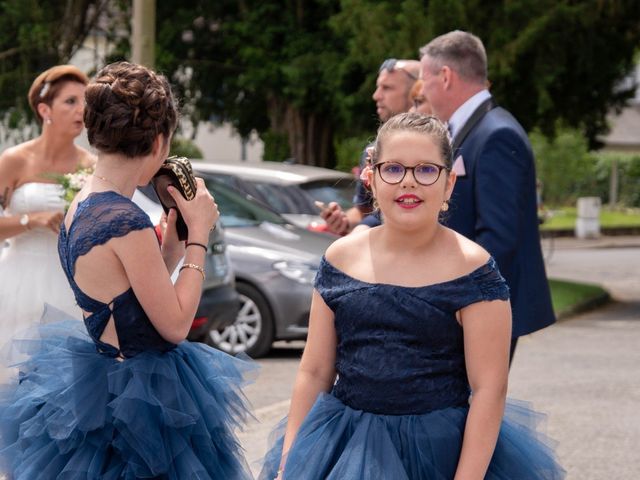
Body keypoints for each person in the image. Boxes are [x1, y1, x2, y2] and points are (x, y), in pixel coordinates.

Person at [259, 113, 564, 479]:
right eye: (394, 169)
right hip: (344, 448)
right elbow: (314, 371)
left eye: (425, 170)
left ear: (449, 184)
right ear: (370, 179)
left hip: (437, 454)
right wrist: (288, 463)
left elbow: (489, 389)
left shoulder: (474, 270)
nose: (408, 182)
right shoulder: (340, 257)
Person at [0, 61, 254, 479]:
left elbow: (125, 291)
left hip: (99, 383)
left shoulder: (85, 202)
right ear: (158, 141)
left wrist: (171, 245)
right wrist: (199, 238)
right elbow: (173, 324)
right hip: (140, 400)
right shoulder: (126, 219)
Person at [419, 31, 556, 360]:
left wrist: (459, 304)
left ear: (446, 76)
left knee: (475, 408)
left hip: (480, 308)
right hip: (469, 302)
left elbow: (498, 237)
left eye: (425, 79)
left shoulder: (497, 134)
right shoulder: (473, 129)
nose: (423, 89)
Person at [0, 65, 94, 343]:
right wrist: (33, 220)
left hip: (69, 284)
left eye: (85, 102)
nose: (82, 110)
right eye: (71, 101)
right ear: (45, 111)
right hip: (16, 281)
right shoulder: (14, 160)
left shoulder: (92, 165)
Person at [320, 58, 420, 235]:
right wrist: (344, 222)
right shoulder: (372, 151)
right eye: (378, 87)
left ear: (416, 92)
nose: (376, 95)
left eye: (387, 88)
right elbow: (364, 211)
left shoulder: (443, 146)